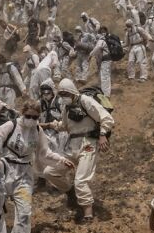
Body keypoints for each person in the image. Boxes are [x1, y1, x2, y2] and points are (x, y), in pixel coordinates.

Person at [0, 100, 72, 233]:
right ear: (22, 113)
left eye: (35, 117)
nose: (31, 119)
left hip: (24, 174)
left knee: (24, 212)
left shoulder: (37, 130)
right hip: (5, 170)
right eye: (28, 116)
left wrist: (61, 160)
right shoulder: (11, 126)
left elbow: (44, 152)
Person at [42, 79, 114, 221]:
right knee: (49, 172)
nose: (63, 96)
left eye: (65, 93)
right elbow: (63, 125)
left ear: (72, 91)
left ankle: (88, 213)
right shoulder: (66, 108)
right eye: (61, 94)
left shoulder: (85, 101)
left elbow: (107, 118)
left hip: (88, 144)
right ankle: (70, 192)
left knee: (80, 180)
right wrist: (47, 125)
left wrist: (103, 135)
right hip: (71, 146)